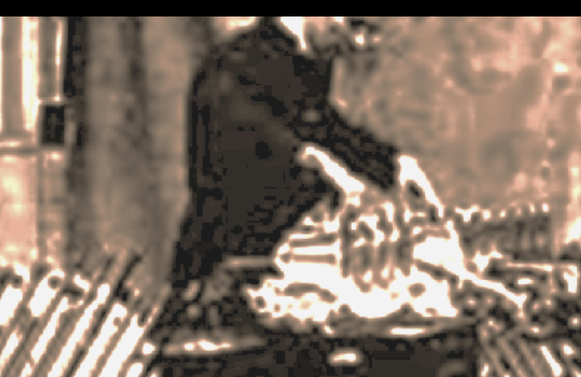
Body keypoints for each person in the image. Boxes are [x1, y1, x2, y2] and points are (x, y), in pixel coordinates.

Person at [168, 17, 447, 314]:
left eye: (372, 34)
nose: (360, 44)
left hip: (271, 274)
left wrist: (395, 163)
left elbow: (325, 127)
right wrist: (327, 167)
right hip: (216, 271)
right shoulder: (232, 63)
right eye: (355, 26)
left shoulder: (307, 60)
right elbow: (259, 131)